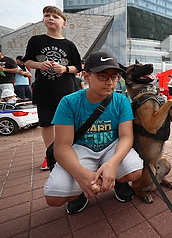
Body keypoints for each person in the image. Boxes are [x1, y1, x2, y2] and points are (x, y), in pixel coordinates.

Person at [43, 51, 143, 215]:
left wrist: (113, 163)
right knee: (54, 197)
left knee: (134, 170)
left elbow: (126, 136)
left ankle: (119, 181)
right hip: (81, 150)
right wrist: (81, 175)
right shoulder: (69, 102)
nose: (110, 82)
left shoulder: (121, 101)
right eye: (103, 76)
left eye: (115, 76)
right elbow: (62, 146)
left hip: (111, 147)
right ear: (86, 76)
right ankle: (79, 192)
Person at [24, 6, 82, 171]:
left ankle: (68, 151)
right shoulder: (36, 41)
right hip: (44, 90)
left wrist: (64, 69)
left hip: (66, 91)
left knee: (68, 123)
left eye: (55, 16)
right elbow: (27, 61)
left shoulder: (69, 45)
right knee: (47, 124)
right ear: (43, 20)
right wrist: (39, 64)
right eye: (47, 15)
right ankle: (50, 154)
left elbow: (78, 66)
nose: (50, 18)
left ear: (63, 23)